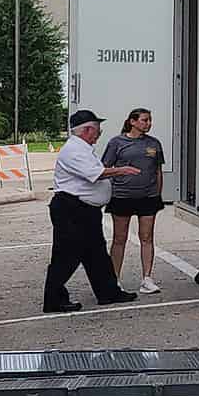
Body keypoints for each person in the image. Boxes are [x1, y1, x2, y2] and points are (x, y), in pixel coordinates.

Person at [43, 108, 141, 313]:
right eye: (97, 129)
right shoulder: (74, 150)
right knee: (66, 256)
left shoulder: (84, 148)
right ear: (87, 130)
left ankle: (108, 292)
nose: (99, 133)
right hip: (72, 209)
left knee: (96, 254)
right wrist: (122, 170)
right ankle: (53, 300)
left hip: (85, 210)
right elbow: (95, 174)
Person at [102, 106, 167, 296]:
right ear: (132, 121)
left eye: (149, 120)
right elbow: (106, 168)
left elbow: (158, 170)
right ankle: (114, 279)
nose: (148, 124)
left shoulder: (154, 144)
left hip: (148, 197)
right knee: (119, 238)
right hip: (122, 196)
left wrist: (157, 193)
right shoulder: (117, 142)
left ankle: (147, 278)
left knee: (146, 237)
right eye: (144, 120)